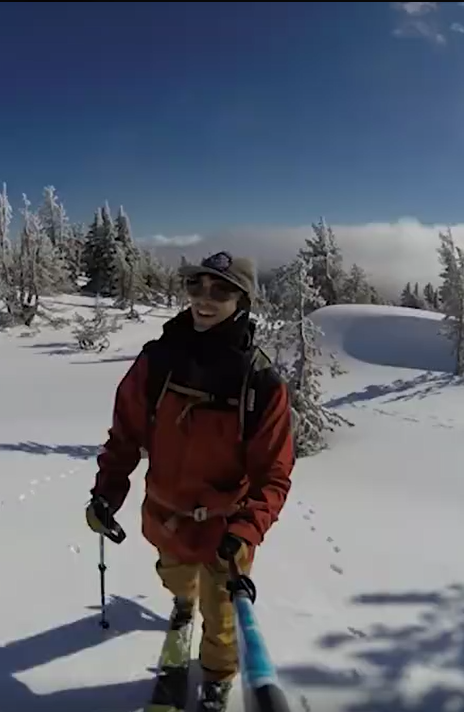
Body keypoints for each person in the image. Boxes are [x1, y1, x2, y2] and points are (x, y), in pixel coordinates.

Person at [85, 250, 296, 711]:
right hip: (166, 518)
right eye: (196, 287)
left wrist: (247, 528)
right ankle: (182, 605)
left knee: (221, 622)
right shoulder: (158, 361)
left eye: (220, 290)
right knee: (175, 578)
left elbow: (273, 475)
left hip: (225, 531)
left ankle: (217, 678)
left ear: (242, 300)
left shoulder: (260, 382)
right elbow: (125, 435)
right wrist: (106, 493)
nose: (205, 298)